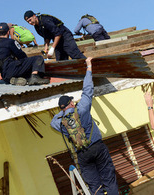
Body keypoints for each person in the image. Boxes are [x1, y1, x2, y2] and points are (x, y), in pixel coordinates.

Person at [51, 57, 119, 195]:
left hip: (82, 153)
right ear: (71, 103)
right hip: (97, 147)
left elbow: (53, 122)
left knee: (95, 186)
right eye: (72, 101)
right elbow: (87, 89)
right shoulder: (82, 108)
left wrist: (65, 110)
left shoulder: (61, 122)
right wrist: (89, 66)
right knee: (109, 179)